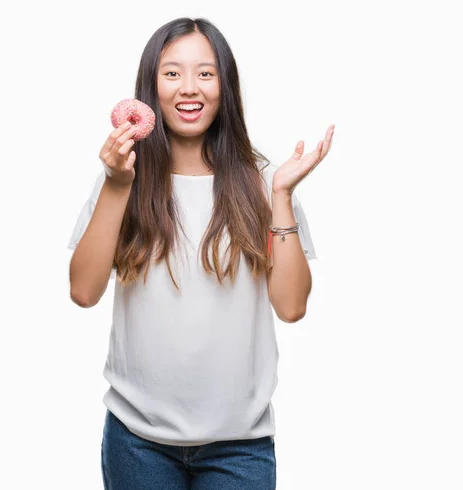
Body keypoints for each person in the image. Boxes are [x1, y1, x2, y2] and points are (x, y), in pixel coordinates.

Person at [67, 17, 334, 490]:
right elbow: (83, 292)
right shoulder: (121, 176)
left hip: (240, 446)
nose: (189, 88)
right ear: (150, 86)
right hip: (137, 441)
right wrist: (116, 186)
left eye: (205, 73)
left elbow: (291, 307)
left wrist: (282, 197)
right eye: (172, 73)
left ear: (224, 85)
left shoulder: (261, 179)